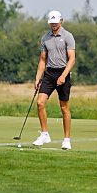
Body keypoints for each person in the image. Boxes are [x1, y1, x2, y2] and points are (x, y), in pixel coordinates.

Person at [32, 10, 76, 150]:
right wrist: (37, 78)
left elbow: (72, 59)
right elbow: (42, 60)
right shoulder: (45, 38)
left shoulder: (68, 36)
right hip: (49, 74)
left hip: (63, 73)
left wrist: (63, 76)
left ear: (61, 21)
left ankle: (67, 140)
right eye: (51, 23)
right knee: (40, 103)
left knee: (64, 108)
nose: (54, 25)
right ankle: (45, 134)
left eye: (56, 23)